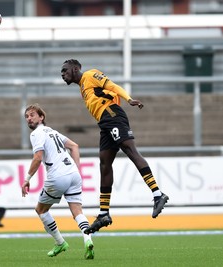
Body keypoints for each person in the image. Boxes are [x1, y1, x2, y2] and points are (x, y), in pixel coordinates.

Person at [61, 59, 169, 234]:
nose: (63, 74)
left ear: (75, 69)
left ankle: (158, 194)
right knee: (104, 164)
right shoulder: (82, 87)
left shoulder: (89, 75)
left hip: (112, 115)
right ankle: (104, 213)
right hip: (104, 123)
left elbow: (112, 86)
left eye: (65, 71)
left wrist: (129, 99)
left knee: (130, 150)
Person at [21, 103, 94, 260]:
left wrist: (27, 179)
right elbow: (74, 146)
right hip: (73, 175)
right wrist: (77, 170)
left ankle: (60, 242)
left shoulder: (36, 134)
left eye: (32, 115)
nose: (29, 118)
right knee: (77, 211)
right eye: (26, 116)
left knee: (41, 210)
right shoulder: (53, 132)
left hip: (58, 176)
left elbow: (38, 157)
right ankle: (88, 240)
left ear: (41, 117)